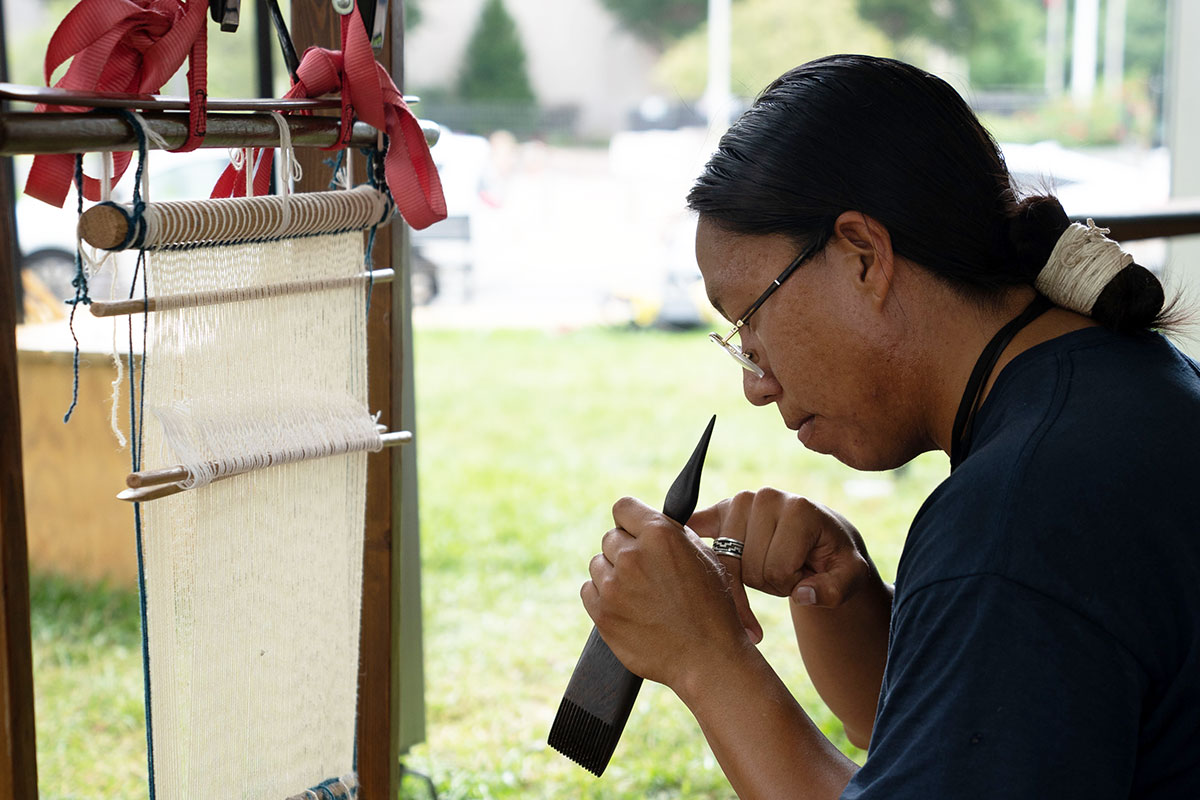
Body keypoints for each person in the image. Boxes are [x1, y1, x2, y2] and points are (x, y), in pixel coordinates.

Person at [580, 54, 1200, 799]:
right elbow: (985, 749)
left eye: (750, 323)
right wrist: (846, 596)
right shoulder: (1121, 384)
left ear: (864, 256)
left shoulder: (1019, 517)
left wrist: (706, 659)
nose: (755, 382)